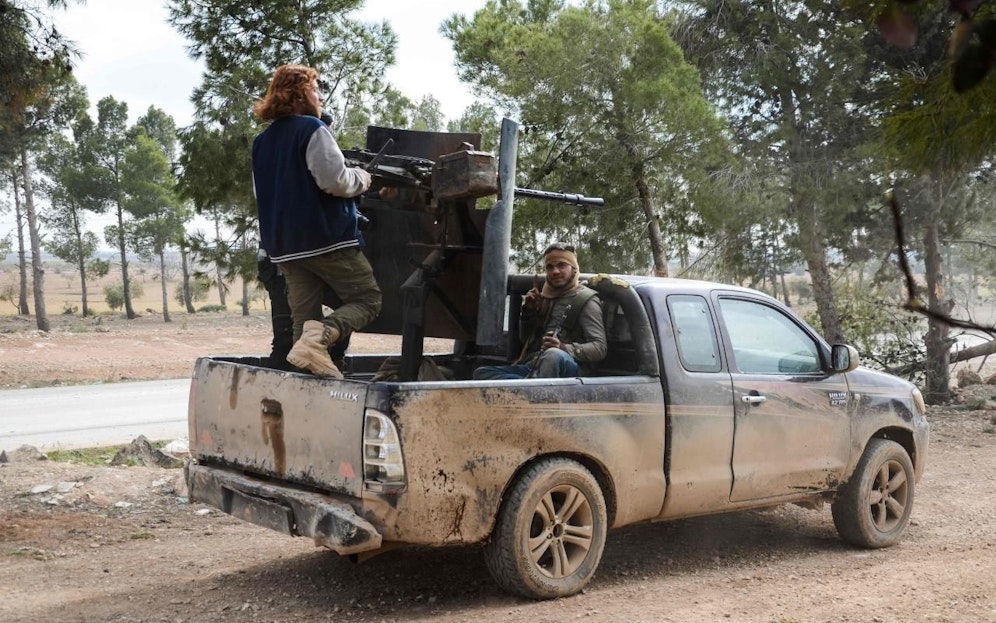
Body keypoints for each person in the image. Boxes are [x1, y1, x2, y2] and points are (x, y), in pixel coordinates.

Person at [252, 63, 381, 378]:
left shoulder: (262, 143)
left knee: (302, 321)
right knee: (368, 299)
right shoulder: (312, 130)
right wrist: (362, 178)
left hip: (285, 248)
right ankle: (321, 337)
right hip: (326, 240)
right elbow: (334, 181)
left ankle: (307, 382)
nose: (319, 95)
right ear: (297, 94)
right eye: (314, 88)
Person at [473, 242, 607, 380]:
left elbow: (600, 348)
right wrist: (529, 313)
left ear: (573, 269)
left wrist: (564, 347)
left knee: (553, 355)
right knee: (481, 374)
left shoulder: (585, 300)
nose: (555, 271)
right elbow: (526, 340)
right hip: (535, 365)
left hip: (570, 373)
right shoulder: (546, 297)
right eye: (550, 267)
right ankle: (527, 389)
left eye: (561, 265)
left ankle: (534, 392)